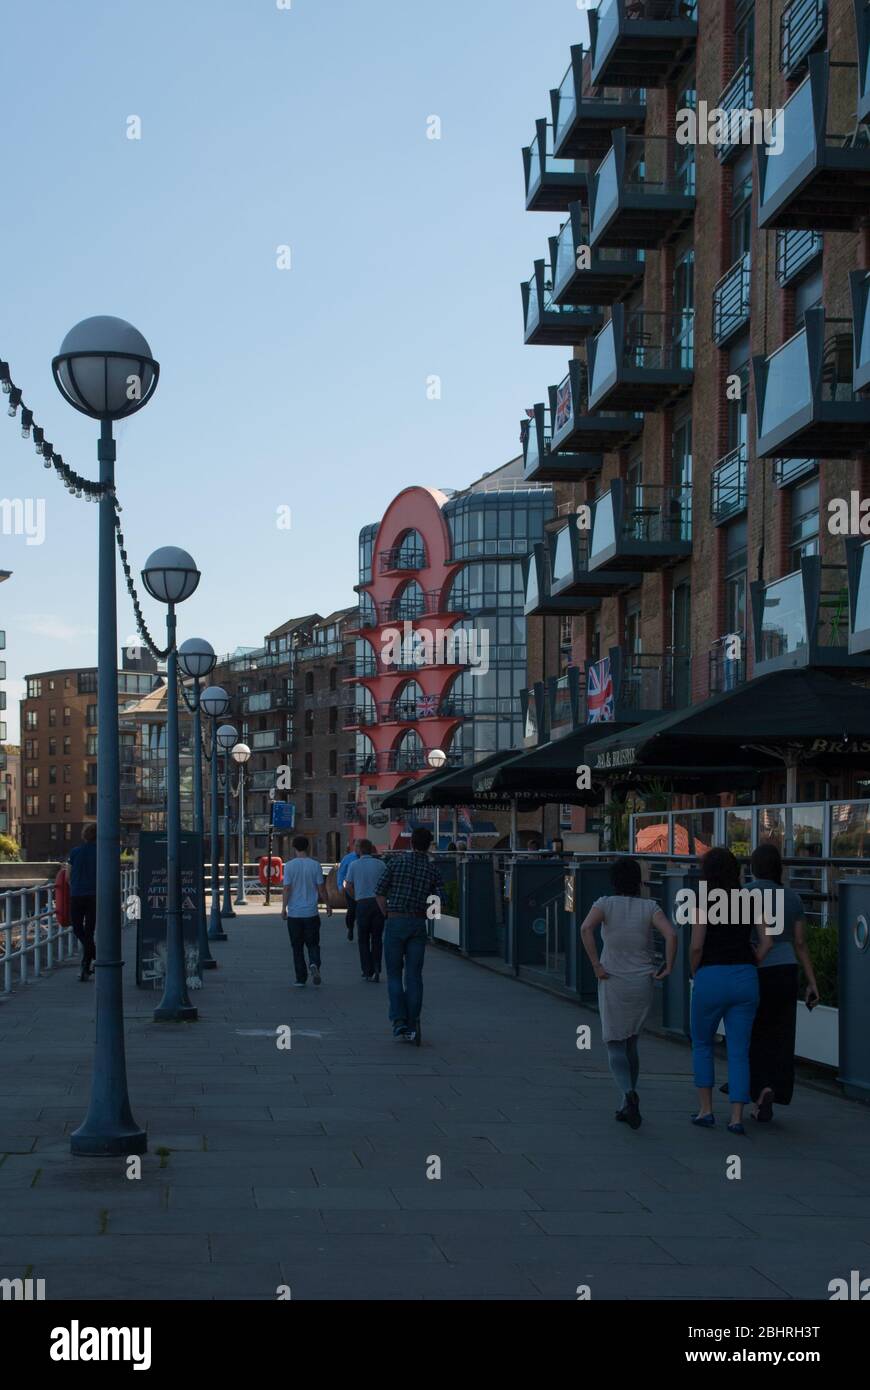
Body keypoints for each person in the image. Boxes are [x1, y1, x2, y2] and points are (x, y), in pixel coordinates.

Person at [580, 858, 676, 1129]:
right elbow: (671, 935)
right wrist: (668, 966)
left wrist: (596, 964)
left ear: (613, 881)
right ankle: (625, 1104)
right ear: (638, 881)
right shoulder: (650, 907)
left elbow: (585, 928)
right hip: (642, 982)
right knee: (631, 1042)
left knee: (613, 1042)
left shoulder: (604, 904)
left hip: (613, 980)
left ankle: (628, 1094)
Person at [690, 847, 772, 1134]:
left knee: (702, 1044)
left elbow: (697, 945)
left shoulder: (703, 901)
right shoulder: (751, 900)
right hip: (745, 978)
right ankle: (736, 1117)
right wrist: (753, 961)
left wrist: (694, 970)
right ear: (736, 870)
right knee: (739, 1051)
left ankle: (706, 1110)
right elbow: (768, 941)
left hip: (711, 976)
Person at [747, 842, 819, 1123]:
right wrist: (812, 982)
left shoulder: (745, 893)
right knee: (781, 1035)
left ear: (753, 867)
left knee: (756, 1033)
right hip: (787, 970)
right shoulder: (793, 898)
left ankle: (759, 1089)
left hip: (757, 968)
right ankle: (775, 1088)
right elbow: (800, 943)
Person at [375, 827, 443, 1042]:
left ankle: (399, 1021)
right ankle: (414, 1020)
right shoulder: (433, 870)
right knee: (414, 976)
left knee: (394, 974)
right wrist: (427, 916)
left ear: (411, 843)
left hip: (395, 920)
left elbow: (379, 890)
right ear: (429, 844)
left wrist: (387, 913)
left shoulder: (396, 862)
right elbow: (439, 901)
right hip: (417, 922)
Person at [281, 836, 332, 987]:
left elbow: (287, 888)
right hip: (311, 912)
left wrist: (284, 908)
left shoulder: (289, 866)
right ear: (308, 847)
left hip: (295, 913)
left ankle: (300, 978)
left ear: (294, 847)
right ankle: (314, 963)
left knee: (297, 947)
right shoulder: (315, 865)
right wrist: (328, 904)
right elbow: (321, 888)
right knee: (313, 943)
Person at [344, 839, 386, 982]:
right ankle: (377, 968)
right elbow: (387, 883)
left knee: (363, 939)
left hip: (362, 903)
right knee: (377, 938)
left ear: (360, 850)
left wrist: (356, 897)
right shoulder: (381, 864)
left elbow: (348, 885)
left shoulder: (354, 865)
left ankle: (366, 970)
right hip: (378, 903)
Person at [65, 822, 97, 983]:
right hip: (94, 896)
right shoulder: (101, 852)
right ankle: (93, 957)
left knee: (77, 928)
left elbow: (67, 877)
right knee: (89, 930)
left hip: (76, 894)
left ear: (85, 835)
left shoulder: (75, 852)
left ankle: (88, 961)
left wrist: (76, 885)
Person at [336, 842, 360, 942]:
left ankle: (362, 931)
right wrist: (340, 886)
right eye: (358, 846)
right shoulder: (348, 858)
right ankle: (350, 928)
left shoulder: (369, 858)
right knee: (352, 910)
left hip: (364, 888)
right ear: (355, 847)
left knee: (363, 911)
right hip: (351, 888)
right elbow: (341, 872)